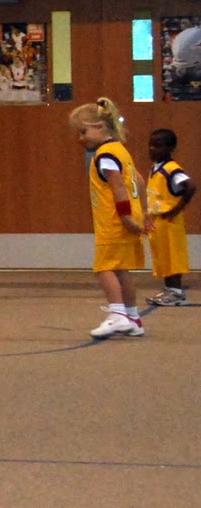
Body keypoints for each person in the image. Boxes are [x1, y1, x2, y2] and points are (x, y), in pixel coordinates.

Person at [69, 99, 150, 338]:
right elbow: (139, 180)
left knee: (104, 268)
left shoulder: (105, 155)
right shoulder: (121, 151)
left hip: (114, 221)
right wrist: (144, 212)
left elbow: (118, 187)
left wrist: (125, 217)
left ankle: (117, 315)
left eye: (83, 132)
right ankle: (133, 317)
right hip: (130, 215)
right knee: (121, 269)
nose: (80, 138)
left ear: (100, 127)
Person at [145, 127, 194, 306]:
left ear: (170, 148)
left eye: (158, 145)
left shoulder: (171, 169)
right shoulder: (155, 168)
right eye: (151, 145)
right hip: (158, 221)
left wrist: (176, 209)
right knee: (163, 257)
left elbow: (190, 186)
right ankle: (168, 289)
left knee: (173, 257)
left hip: (170, 221)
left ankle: (176, 292)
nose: (152, 149)